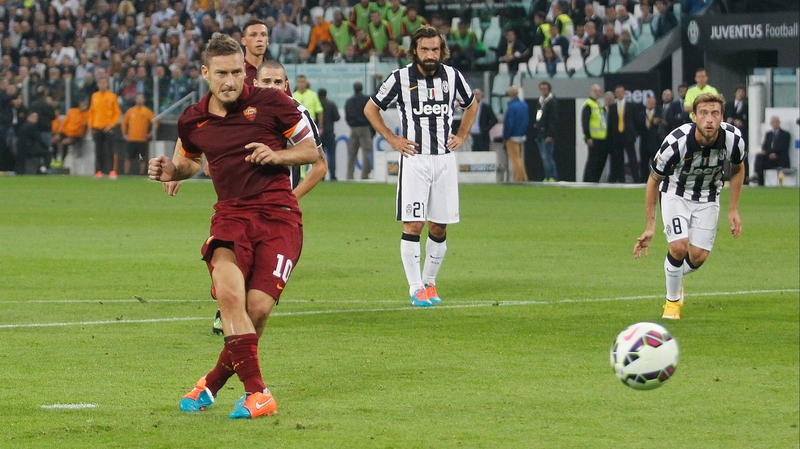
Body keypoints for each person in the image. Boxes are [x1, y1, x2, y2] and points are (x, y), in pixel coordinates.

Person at [148, 34, 322, 419]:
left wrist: (277, 155)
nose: (231, 81)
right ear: (206, 73)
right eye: (222, 73)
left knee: (256, 310)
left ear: (247, 70)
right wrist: (170, 170)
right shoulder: (193, 119)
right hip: (230, 216)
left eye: (238, 72)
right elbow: (191, 162)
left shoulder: (273, 103)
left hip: (279, 216)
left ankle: (210, 384)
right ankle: (258, 393)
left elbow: (313, 152)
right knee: (230, 298)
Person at [364, 25, 478, 307]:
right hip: (415, 160)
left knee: (439, 226)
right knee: (413, 223)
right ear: (414, 50)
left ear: (442, 51)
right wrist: (392, 139)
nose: (430, 54)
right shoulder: (400, 77)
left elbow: (471, 105)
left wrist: (462, 135)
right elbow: (370, 108)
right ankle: (415, 288)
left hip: (444, 160)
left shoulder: (452, 76)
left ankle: (430, 283)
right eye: (424, 49)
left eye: (435, 49)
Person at [634, 93, 746, 320]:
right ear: (694, 116)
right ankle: (672, 303)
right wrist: (650, 226)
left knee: (698, 256)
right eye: (703, 113)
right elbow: (653, 180)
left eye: (715, 113)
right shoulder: (677, 142)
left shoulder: (734, 138)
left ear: (722, 116)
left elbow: (737, 168)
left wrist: (733, 208)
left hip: (708, 197)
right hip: (676, 194)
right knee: (678, 247)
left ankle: (675, 273)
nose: (709, 119)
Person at [88, 76, 122, 179]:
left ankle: (112, 171)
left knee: (111, 149)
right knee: (98, 150)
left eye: (104, 83)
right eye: (100, 83)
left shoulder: (112, 96)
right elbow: (91, 112)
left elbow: (117, 112)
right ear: (98, 85)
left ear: (107, 84)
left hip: (108, 127)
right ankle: (99, 171)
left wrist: (111, 124)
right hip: (97, 126)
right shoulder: (94, 96)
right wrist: (90, 125)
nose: (102, 85)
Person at [607, 84, 640, 183]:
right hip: (617, 137)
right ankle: (621, 179)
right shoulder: (612, 107)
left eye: (621, 92)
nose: (619, 94)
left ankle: (636, 179)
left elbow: (636, 121)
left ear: (624, 93)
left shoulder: (631, 105)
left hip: (628, 136)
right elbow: (610, 123)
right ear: (615, 94)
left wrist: (634, 134)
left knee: (632, 158)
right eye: (617, 92)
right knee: (618, 159)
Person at [581, 83, 610, 182]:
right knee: (593, 161)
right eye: (596, 91)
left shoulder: (598, 105)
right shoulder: (588, 104)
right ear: (591, 91)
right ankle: (588, 181)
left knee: (600, 162)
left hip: (602, 138)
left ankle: (595, 180)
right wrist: (588, 137)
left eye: (599, 92)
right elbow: (585, 122)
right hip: (594, 138)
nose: (598, 93)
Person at [121, 92, 155, 175]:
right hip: (131, 139)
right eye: (138, 98)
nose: (139, 99)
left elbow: (155, 122)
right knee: (128, 157)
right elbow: (124, 124)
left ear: (144, 100)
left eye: (141, 98)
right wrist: (124, 134)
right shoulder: (130, 111)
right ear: (135, 99)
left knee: (141, 158)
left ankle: (141, 173)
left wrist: (150, 133)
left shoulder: (147, 112)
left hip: (141, 139)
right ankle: (126, 173)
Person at [344, 81, 373, 180]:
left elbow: (347, 115)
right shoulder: (366, 99)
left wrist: (352, 123)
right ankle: (365, 175)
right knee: (366, 152)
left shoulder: (350, 101)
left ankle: (350, 175)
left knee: (352, 153)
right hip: (365, 127)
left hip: (354, 128)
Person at [52, 97, 90, 166]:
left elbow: (86, 126)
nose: (84, 105)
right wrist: (60, 132)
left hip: (76, 135)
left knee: (64, 142)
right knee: (55, 139)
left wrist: (86, 125)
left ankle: (62, 161)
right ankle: (54, 159)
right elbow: (65, 122)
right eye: (83, 103)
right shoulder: (72, 111)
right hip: (66, 132)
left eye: (85, 104)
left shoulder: (88, 114)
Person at [754, 116, 791, 186]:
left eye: (776, 122)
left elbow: (784, 147)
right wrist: (769, 154)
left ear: (779, 123)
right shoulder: (768, 134)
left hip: (779, 158)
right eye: (773, 122)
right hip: (770, 158)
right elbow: (764, 147)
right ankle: (759, 181)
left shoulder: (785, 134)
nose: (775, 124)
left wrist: (774, 154)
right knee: (759, 157)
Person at [503, 85, 529, 182]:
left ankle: (517, 179)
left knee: (515, 160)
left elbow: (509, 123)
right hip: (521, 135)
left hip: (513, 136)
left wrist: (506, 136)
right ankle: (523, 178)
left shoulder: (511, 107)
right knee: (519, 159)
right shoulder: (524, 105)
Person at [534, 81, 558, 181]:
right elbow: (538, 116)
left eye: (545, 89)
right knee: (544, 157)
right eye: (541, 89)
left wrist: (550, 134)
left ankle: (553, 177)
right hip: (540, 134)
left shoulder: (552, 102)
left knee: (548, 157)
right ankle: (547, 177)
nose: (543, 91)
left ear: (549, 89)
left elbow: (553, 119)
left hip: (547, 134)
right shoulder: (540, 102)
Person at [317, 88, 340, 180]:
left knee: (320, 156)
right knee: (331, 155)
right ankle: (333, 175)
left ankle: (321, 175)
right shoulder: (331, 104)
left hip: (319, 133)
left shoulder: (317, 105)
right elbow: (337, 117)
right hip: (330, 132)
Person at [639, 96, 660, 182]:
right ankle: (643, 180)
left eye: (652, 102)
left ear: (655, 104)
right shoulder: (641, 114)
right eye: (649, 102)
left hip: (654, 142)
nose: (650, 104)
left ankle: (655, 180)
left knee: (655, 163)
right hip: (644, 142)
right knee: (643, 162)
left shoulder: (658, 114)